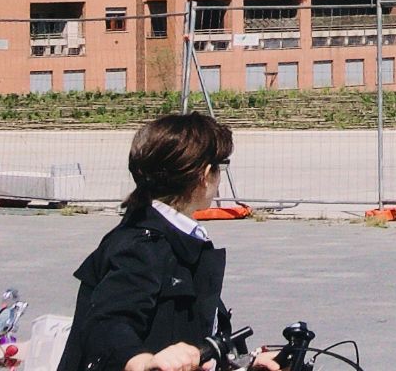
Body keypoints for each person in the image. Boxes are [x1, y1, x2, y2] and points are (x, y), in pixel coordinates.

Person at [59, 113, 284, 371]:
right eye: (220, 166)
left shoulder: (176, 238)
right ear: (205, 174)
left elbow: (194, 338)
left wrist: (244, 362)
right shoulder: (142, 246)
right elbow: (107, 322)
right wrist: (142, 361)